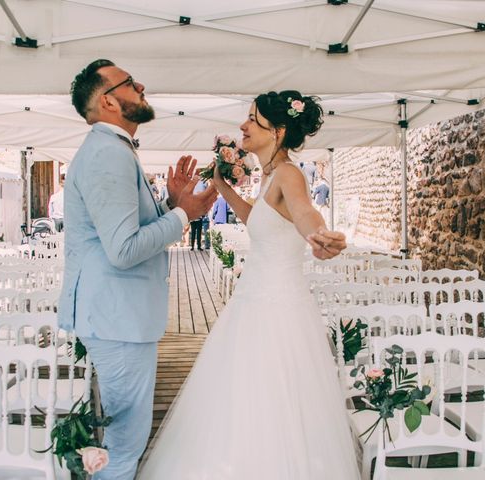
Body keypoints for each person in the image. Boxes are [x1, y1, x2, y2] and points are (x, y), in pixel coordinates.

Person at [138, 91, 359, 479]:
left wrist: (319, 235)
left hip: (275, 312)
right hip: (253, 303)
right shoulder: (271, 176)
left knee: (267, 403)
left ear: (278, 130)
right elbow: (261, 218)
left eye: (253, 120)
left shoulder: (289, 174)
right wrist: (224, 189)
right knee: (245, 400)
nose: (243, 126)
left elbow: (305, 212)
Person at [58, 59, 217, 480]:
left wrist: (167, 205)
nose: (141, 85)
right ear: (109, 100)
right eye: (130, 82)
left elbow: (120, 233)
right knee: (125, 443)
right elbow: (124, 250)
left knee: (123, 437)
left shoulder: (112, 148)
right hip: (117, 319)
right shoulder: (108, 153)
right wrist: (184, 215)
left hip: (116, 316)